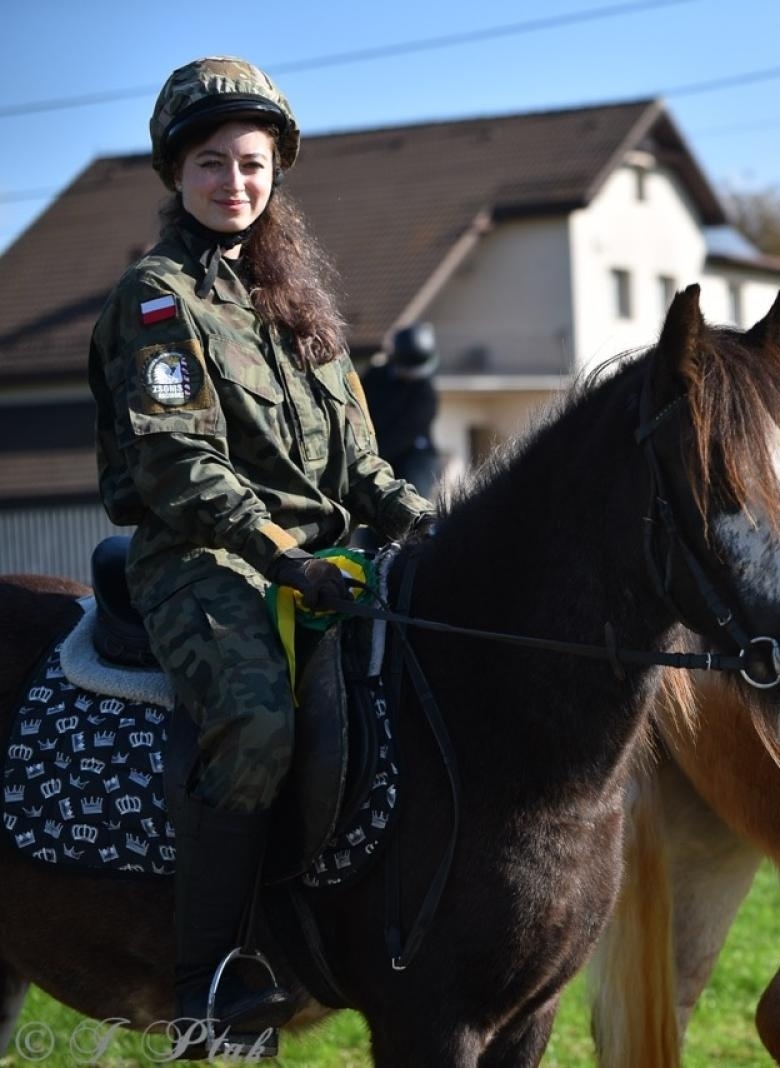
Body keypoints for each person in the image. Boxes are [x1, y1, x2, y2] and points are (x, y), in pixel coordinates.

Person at [88, 57, 434, 1035]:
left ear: (276, 170)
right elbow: (179, 467)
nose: (233, 182)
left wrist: (429, 528)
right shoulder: (158, 302)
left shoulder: (301, 304)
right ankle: (211, 981)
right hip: (204, 559)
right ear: (176, 173)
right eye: (211, 163)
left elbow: (362, 465)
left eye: (250, 163)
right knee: (256, 722)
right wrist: (284, 556)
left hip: (328, 558)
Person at [361, 322, 441, 499]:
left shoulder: (425, 393)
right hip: (374, 449)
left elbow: (404, 434)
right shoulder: (374, 378)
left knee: (411, 498)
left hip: (414, 454)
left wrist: (376, 458)